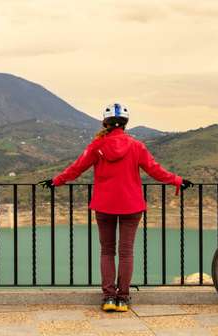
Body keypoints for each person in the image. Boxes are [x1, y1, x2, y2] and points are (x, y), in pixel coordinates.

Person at [38, 102, 193, 312]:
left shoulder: (97, 146)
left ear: (105, 122)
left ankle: (109, 297)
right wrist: (177, 180)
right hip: (132, 205)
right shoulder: (136, 146)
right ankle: (123, 298)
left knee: (107, 251)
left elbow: (76, 169)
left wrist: (55, 181)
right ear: (125, 124)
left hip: (104, 206)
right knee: (126, 252)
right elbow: (155, 170)